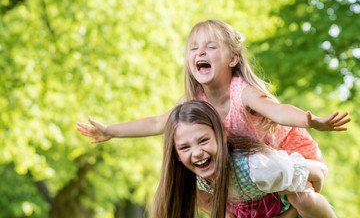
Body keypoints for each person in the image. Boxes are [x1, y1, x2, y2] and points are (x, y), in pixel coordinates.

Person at [77, 19, 349, 216]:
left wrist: (311, 121)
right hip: (242, 171)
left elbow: (278, 111)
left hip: (278, 155)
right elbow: (158, 123)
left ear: (233, 59)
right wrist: (112, 130)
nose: (200, 53)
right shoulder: (193, 102)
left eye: (210, 47)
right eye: (193, 49)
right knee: (206, 195)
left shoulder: (243, 92)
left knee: (301, 198)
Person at [151, 100, 336, 218]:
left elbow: (319, 171)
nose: (197, 153)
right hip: (249, 211)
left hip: (286, 206)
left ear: (221, 137)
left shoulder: (257, 165)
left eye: (203, 140)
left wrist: (305, 197)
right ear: (176, 153)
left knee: (305, 200)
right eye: (185, 147)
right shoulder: (188, 176)